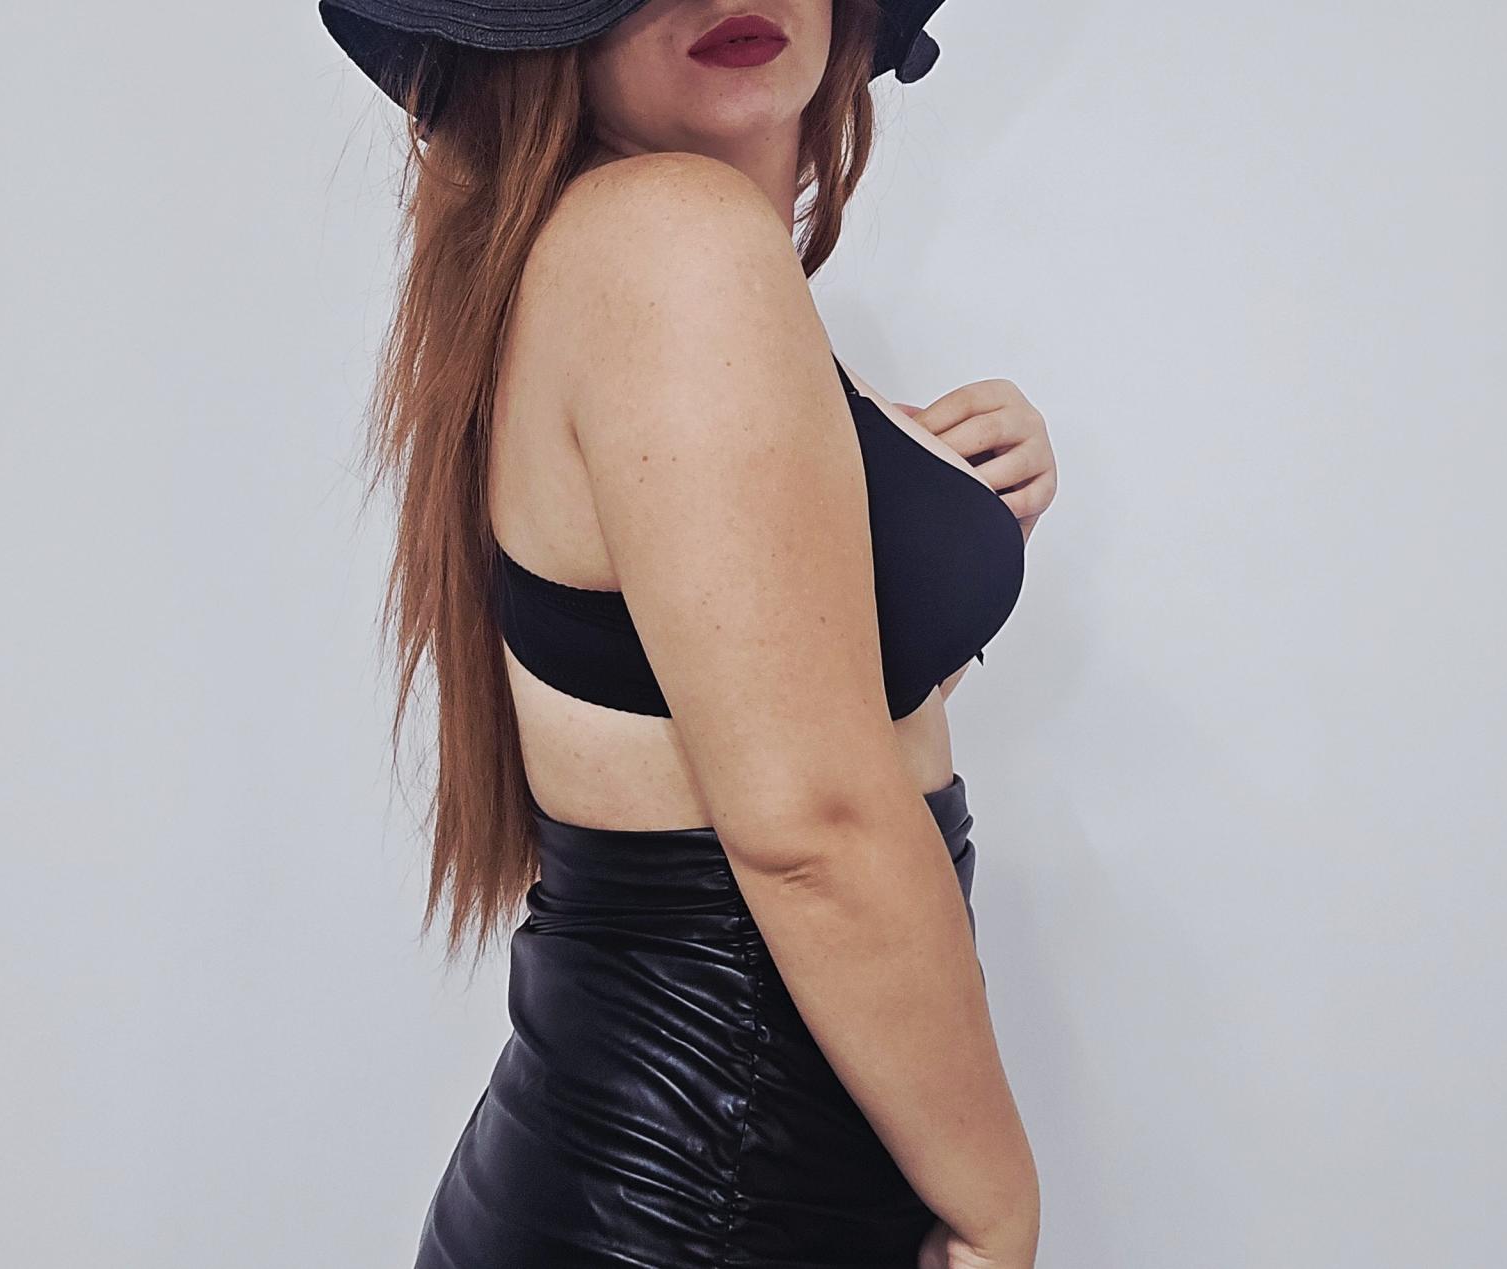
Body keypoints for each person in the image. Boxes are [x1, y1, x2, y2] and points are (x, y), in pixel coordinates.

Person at [316, 2, 1059, 1264]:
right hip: (707, 1213)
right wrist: (999, 1209)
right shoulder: (673, 238)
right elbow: (812, 831)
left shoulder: (620, 253)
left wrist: (944, 531)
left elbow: (756, 737)